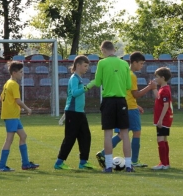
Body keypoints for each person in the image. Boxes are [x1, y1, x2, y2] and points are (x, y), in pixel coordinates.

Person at [96, 52, 157, 168]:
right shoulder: (132, 75)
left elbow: (127, 93)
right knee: (135, 132)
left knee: (121, 134)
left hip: (124, 105)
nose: (142, 66)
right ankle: (133, 161)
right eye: (141, 63)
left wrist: (136, 105)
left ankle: (104, 153)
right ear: (134, 62)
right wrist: (150, 87)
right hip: (130, 108)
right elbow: (136, 94)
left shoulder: (123, 72)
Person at [94, 40, 133, 173]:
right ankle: (128, 165)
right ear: (114, 50)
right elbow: (128, 85)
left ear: (103, 50)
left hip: (108, 101)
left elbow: (98, 82)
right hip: (121, 101)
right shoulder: (124, 64)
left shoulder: (102, 63)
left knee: (108, 134)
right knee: (125, 134)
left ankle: (109, 166)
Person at [54, 55, 95, 170]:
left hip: (79, 113)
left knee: (85, 136)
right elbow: (75, 93)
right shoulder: (74, 78)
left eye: (87, 66)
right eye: (85, 66)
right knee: (70, 138)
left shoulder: (79, 78)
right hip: (72, 112)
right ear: (78, 65)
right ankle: (59, 162)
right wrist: (88, 87)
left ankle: (83, 162)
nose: (87, 68)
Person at [0, 61, 39, 171]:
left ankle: (25, 164)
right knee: (9, 140)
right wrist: (27, 109)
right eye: (21, 72)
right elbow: (18, 100)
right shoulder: (14, 84)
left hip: (12, 116)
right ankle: (1, 165)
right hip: (12, 116)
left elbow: (1, 98)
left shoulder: (7, 83)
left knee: (23, 136)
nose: (22, 74)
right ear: (14, 72)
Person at [151, 67, 173, 170]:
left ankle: (163, 163)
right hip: (164, 119)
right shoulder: (163, 89)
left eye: (157, 77)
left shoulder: (165, 90)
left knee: (160, 139)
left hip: (163, 119)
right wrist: (154, 88)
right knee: (164, 139)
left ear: (163, 78)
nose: (156, 78)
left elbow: (166, 105)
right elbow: (158, 98)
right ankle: (166, 163)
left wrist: (160, 120)